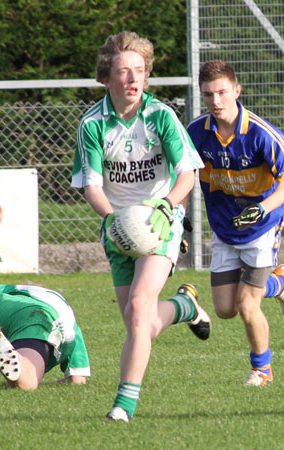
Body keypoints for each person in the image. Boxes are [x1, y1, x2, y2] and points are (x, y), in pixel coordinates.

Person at [71, 31, 210, 422]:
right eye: (123, 71)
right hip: (117, 228)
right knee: (142, 325)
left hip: (162, 222)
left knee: (136, 308)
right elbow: (92, 187)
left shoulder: (162, 116)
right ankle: (185, 306)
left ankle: (123, 406)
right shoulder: (92, 125)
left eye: (139, 71)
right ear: (105, 78)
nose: (133, 79)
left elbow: (187, 175)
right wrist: (114, 219)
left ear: (147, 76)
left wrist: (167, 206)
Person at [187, 59, 284, 387]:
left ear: (237, 91)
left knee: (248, 304)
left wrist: (262, 209)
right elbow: (182, 175)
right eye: (208, 95)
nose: (216, 101)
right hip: (224, 229)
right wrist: (176, 214)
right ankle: (281, 282)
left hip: (262, 229)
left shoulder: (263, 135)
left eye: (222, 92)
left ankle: (262, 370)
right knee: (224, 309)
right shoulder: (196, 133)